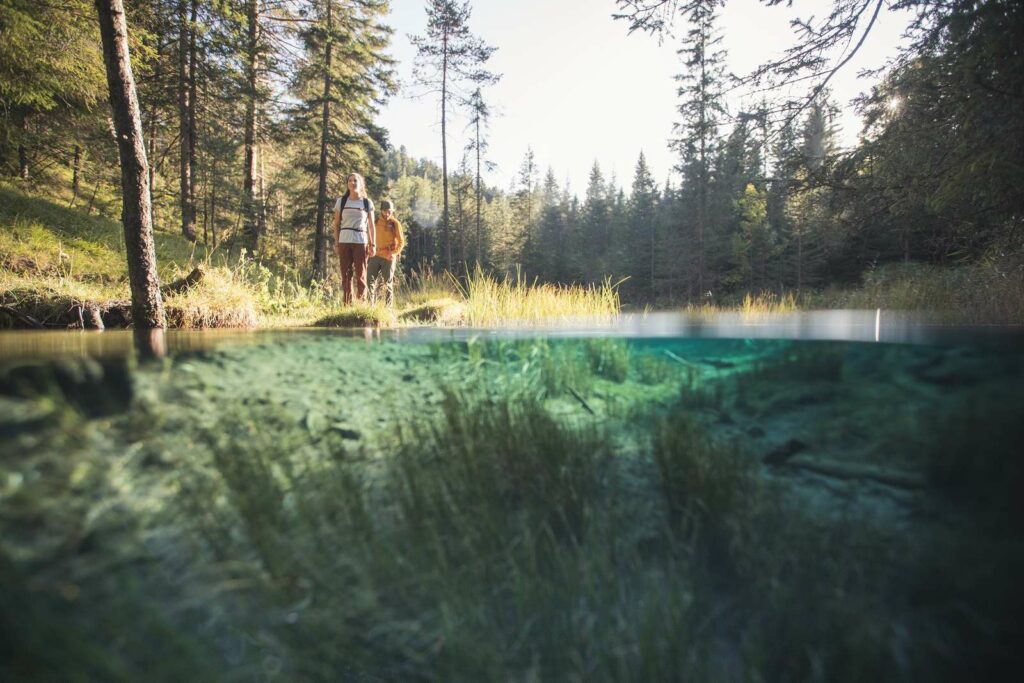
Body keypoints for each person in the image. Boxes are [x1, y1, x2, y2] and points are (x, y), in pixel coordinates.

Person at [332, 173, 376, 304]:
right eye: (350, 180)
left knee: (361, 275)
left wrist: (373, 244)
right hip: (344, 241)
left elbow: (371, 225)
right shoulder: (341, 201)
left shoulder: (367, 203)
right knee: (346, 275)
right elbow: (336, 224)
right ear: (347, 184)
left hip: (361, 241)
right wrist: (336, 243)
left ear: (361, 184)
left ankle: (362, 304)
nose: (352, 183)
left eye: (355, 180)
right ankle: (347, 304)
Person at [366, 200, 405, 307]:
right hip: (375, 255)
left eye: (389, 211)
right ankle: (370, 307)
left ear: (392, 211)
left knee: (387, 284)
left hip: (388, 256)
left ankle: (388, 309)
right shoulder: (376, 221)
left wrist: (393, 253)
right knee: (370, 281)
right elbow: (369, 236)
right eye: (385, 211)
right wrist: (369, 249)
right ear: (381, 211)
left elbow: (401, 242)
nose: (387, 214)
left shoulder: (395, 223)